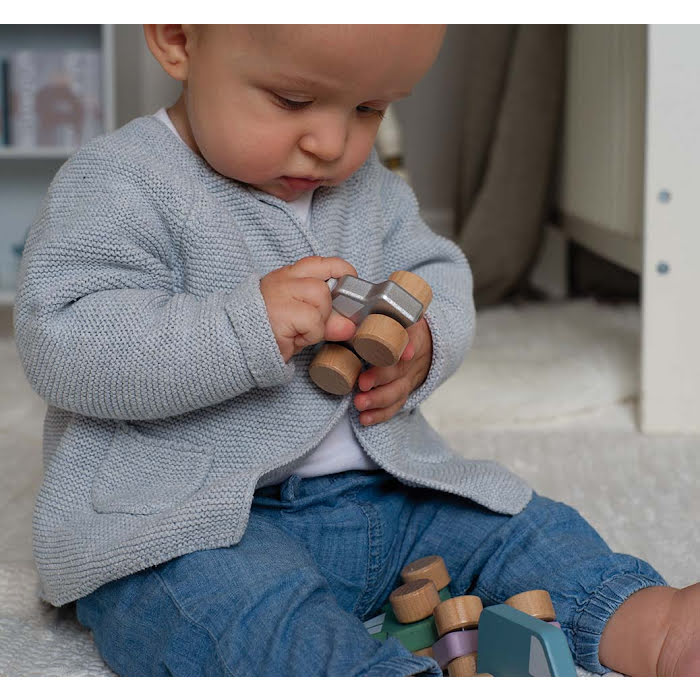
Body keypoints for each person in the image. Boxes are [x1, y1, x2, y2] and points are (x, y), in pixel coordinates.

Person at [13, 24, 699, 677]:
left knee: (515, 527)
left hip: (386, 496)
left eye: (371, 108)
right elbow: (65, 341)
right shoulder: (119, 181)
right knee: (239, 615)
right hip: (188, 523)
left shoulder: (367, 186)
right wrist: (243, 325)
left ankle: (653, 624)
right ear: (180, 39)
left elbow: (437, 274)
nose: (333, 143)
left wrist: (424, 345)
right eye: (293, 100)